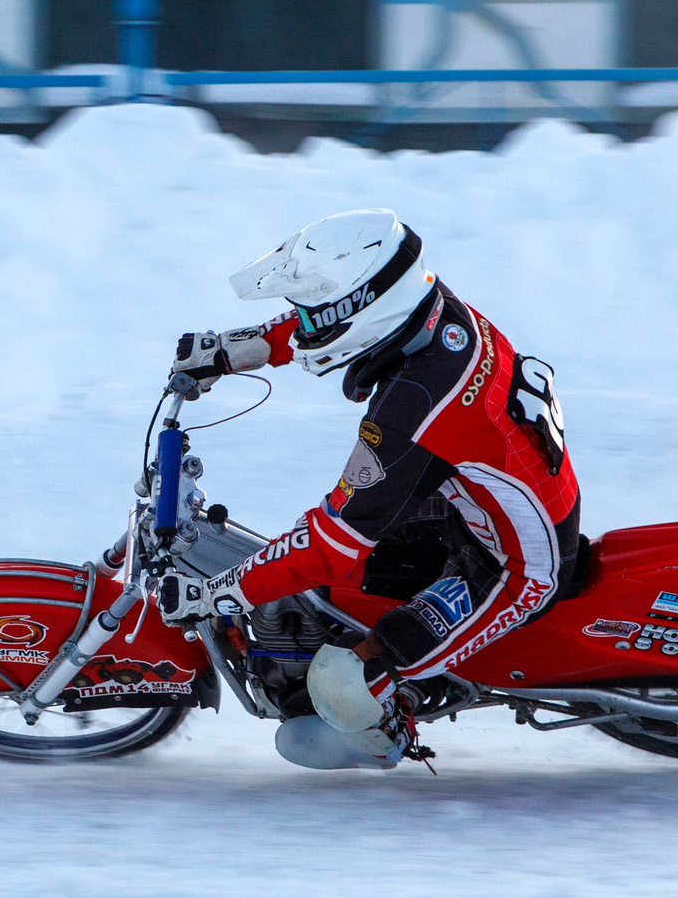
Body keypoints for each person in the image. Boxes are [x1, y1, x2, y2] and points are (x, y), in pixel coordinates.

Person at [154, 209, 581, 769]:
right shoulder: (428, 308)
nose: (304, 325)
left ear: (364, 309)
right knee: (336, 582)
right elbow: (329, 322)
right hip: (476, 500)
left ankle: (389, 728)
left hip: (511, 562)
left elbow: (332, 540)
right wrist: (234, 349)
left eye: (314, 313)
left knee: (339, 678)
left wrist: (218, 593)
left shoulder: (413, 407)